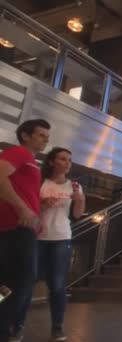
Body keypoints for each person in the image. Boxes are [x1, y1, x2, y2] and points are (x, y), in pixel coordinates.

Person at [0, 119, 50, 342]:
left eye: (47, 136)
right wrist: (22, 209)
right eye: (40, 134)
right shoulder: (19, 153)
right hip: (15, 225)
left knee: (11, 280)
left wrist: (36, 216)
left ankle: (4, 327)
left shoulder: (31, 160)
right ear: (25, 135)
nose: (45, 139)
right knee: (23, 279)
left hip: (23, 226)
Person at [30, 147, 85, 341]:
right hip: (36, 238)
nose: (67, 163)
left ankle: (57, 328)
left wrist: (79, 201)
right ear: (52, 162)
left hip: (61, 237)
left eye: (69, 160)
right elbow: (29, 209)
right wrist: (43, 203)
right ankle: (13, 322)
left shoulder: (75, 186)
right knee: (24, 281)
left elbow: (77, 214)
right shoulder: (40, 182)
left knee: (58, 284)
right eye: (62, 159)